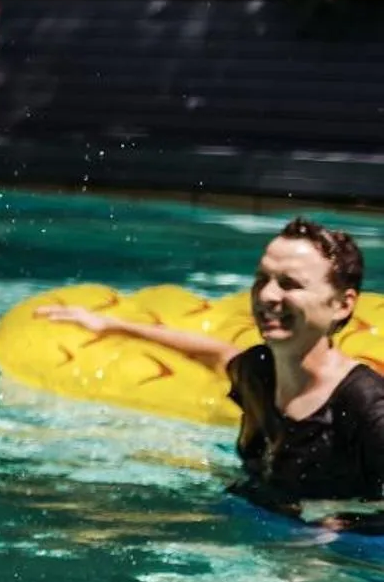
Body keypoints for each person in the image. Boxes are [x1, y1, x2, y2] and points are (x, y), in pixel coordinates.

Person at [36, 218, 384, 517]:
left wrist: (339, 525)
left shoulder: (364, 404)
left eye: (289, 284)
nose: (266, 296)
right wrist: (114, 326)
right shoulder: (260, 370)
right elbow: (218, 354)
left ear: (342, 304)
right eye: (262, 279)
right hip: (256, 518)